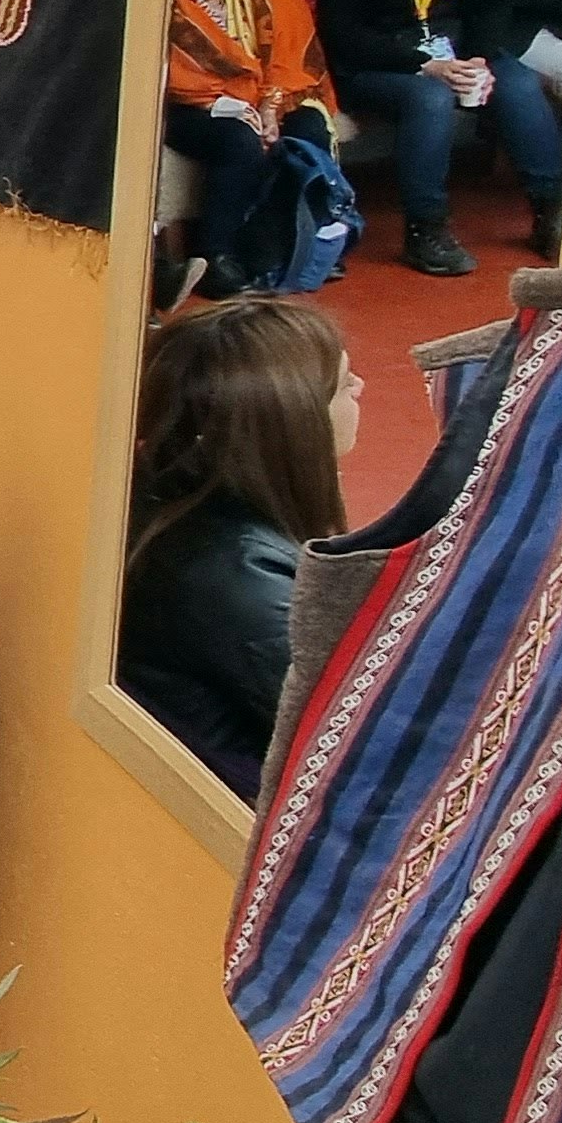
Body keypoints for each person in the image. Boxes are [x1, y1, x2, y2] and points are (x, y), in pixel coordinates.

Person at [118, 298, 359, 794]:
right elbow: (355, 728)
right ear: (292, 424)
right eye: (341, 386)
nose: (360, 387)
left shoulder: (158, 492)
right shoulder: (238, 574)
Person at [316, 0, 562, 273]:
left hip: (459, 49)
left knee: (517, 82)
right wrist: (425, 63)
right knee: (429, 97)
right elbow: (345, 36)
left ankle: (551, 212)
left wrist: (480, 60)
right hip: (380, 62)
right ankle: (426, 228)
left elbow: (493, 4)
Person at [165, 0, 338, 291]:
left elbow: (295, 54)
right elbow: (172, 76)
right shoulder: (166, 0)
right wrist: (231, 105)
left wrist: (269, 106)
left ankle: (276, 247)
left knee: (309, 130)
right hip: (193, 105)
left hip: (274, 95)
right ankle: (213, 258)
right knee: (238, 141)